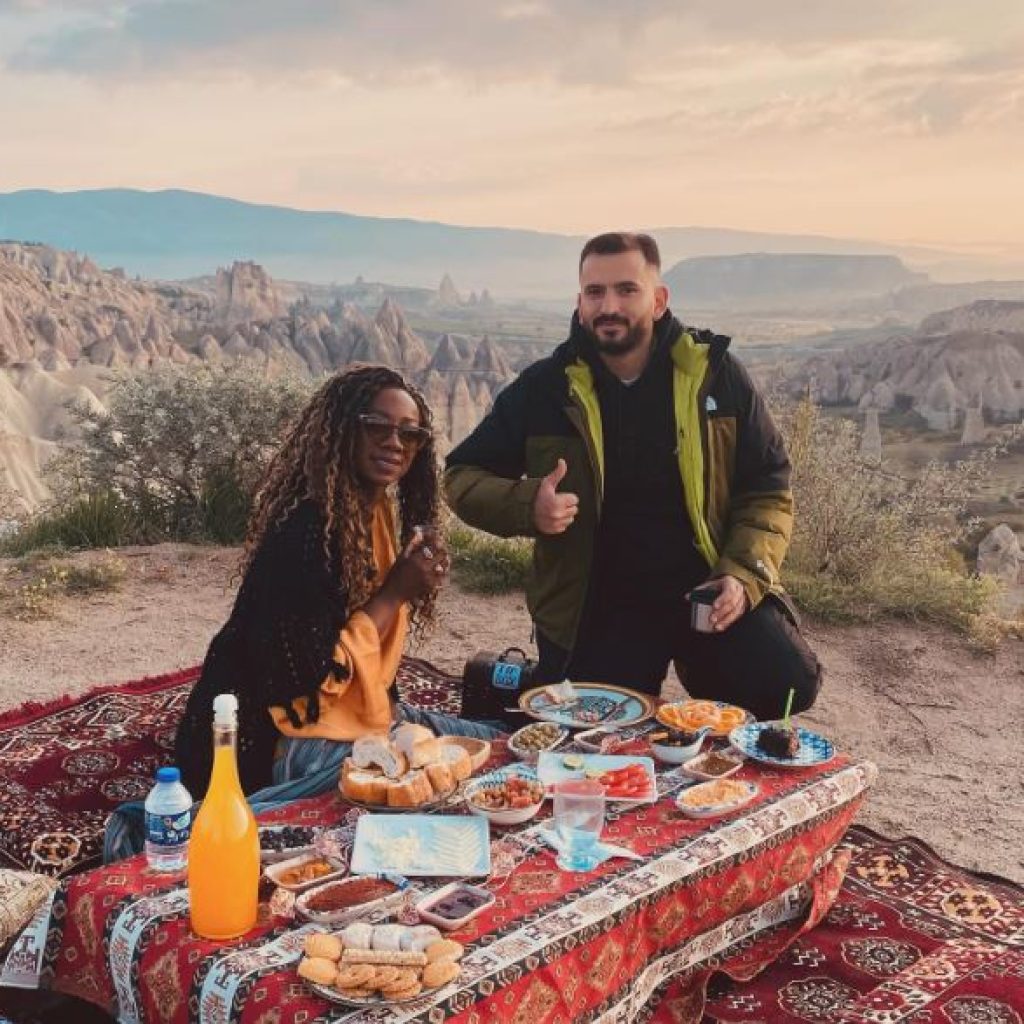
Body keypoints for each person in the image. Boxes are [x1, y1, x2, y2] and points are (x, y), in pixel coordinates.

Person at [105, 365, 501, 862]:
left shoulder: (375, 514)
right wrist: (396, 591)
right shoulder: (305, 532)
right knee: (418, 805)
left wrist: (407, 581)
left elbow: (367, 659)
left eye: (411, 433)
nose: (395, 443)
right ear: (340, 430)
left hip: (356, 713)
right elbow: (304, 687)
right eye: (376, 426)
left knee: (494, 751)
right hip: (282, 733)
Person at [445, 232, 821, 719]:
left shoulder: (717, 377)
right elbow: (460, 475)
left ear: (658, 300)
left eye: (627, 290)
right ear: (580, 303)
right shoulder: (545, 388)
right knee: (594, 729)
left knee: (787, 682)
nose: (609, 306)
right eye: (595, 292)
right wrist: (527, 504)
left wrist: (740, 576)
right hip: (599, 603)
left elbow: (768, 486)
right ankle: (553, 678)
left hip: (701, 589)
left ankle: (704, 692)